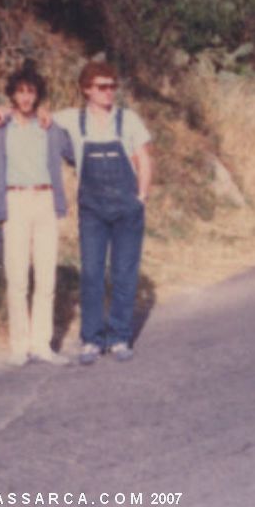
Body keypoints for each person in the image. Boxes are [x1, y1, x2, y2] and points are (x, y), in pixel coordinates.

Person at [53, 61, 153, 364]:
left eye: (112, 86)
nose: (109, 92)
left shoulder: (128, 119)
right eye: (101, 87)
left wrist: (141, 196)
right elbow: (38, 119)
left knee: (124, 272)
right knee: (93, 272)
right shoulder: (71, 119)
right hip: (92, 209)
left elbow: (144, 160)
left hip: (127, 206)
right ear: (86, 90)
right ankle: (92, 339)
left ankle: (120, 337)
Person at [0, 62, 74, 367]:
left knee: (46, 276)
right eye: (20, 92)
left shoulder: (48, 127)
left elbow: (73, 152)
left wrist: (56, 121)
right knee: (17, 276)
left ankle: (42, 344)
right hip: (15, 201)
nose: (25, 98)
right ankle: (19, 345)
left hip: (45, 199)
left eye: (31, 92)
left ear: (38, 96)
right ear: (12, 95)